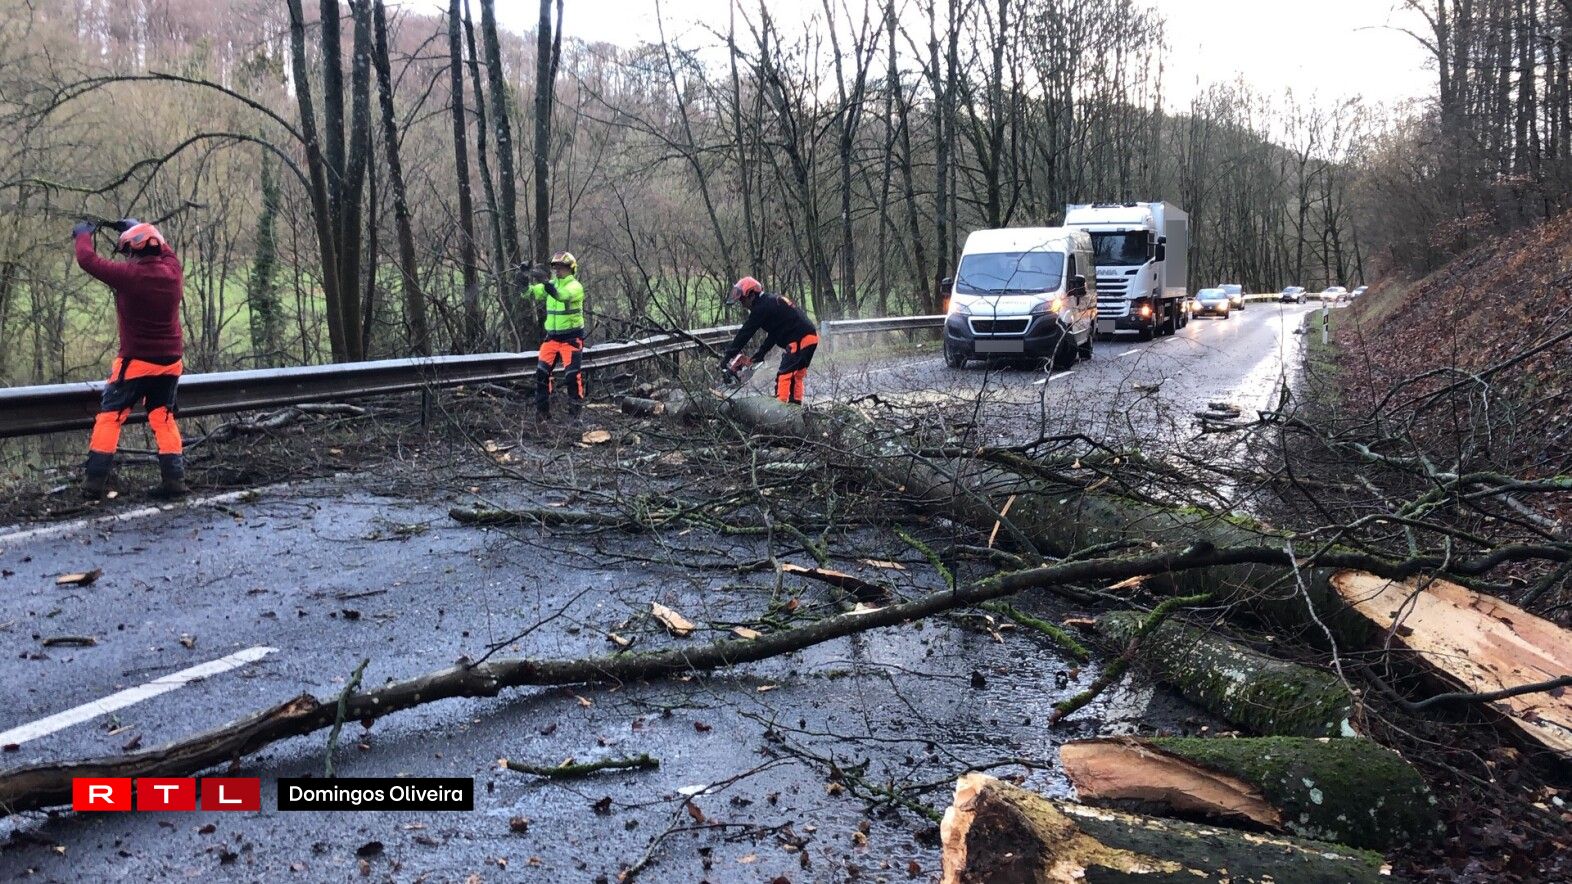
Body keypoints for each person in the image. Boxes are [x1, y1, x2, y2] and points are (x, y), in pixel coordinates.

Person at [71, 217, 188, 499]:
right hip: (171, 362)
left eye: (128, 252)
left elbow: (87, 260)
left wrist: (83, 234)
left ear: (132, 253)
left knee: (110, 417)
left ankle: (94, 483)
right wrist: (140, 228)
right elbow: (166, 249)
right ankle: (175, 481)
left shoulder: (129, 275)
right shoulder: (173, 271)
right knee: (163, 417)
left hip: (136, 361)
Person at [720, 276, 818, 405]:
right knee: (796, 376)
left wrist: (729, 355)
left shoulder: (762, 307)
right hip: (807, 337)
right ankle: (795, 408)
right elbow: (775, 333)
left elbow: (746, 332)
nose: (742, 304)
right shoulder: (769, 303)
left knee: (785, 374)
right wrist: (761, 353)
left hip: (800, 339)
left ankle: (780, 408)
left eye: (743, 300)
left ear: (752, 295)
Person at [523, 250, 586, 422]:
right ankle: (542, 414)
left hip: (571, 340)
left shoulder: (575, 287)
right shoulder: (551, 285)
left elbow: (561, 296)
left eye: (562, 267)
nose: (558, 270)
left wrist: (544, 281)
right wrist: (522, 277)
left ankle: (575, 416)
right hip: (551, 339)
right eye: (556, 267)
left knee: (572, 377)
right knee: (541, 374)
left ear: (571, 269)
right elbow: (527, 293)